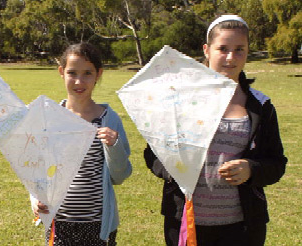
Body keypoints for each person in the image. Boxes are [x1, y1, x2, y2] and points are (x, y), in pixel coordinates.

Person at [144, 15, 287, 246]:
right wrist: (175, 170)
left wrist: (252, 169)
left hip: (243, 228)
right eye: (223, 48)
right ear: (207, 50)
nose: (231, 57)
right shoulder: (179, 100)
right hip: (185, 223)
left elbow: (277, 163)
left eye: (239, 49)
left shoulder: (261, 106)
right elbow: (153, 154)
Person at [31, 42, 132, 245]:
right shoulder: (49, 119)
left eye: (87, 73)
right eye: (72, 73)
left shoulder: (109, 120)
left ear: (98, 74)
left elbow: (120, 175)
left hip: (98, 224)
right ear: (61, 72)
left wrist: (114, 145)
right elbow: (35, 168)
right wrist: (35, 199)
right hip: (59, 222)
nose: (79, 81)